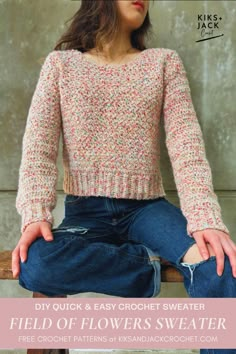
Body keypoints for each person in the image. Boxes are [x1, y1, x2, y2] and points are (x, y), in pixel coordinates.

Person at [13, 0, 236, 353]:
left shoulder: (163, 63)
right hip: (85, 213)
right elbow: (38, 146)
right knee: (35, 264)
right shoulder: (61, 66)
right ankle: (145, 269)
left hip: (148, 211)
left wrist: (206, 218)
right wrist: (34, 214)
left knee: (220, 268)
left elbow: (186, 145)